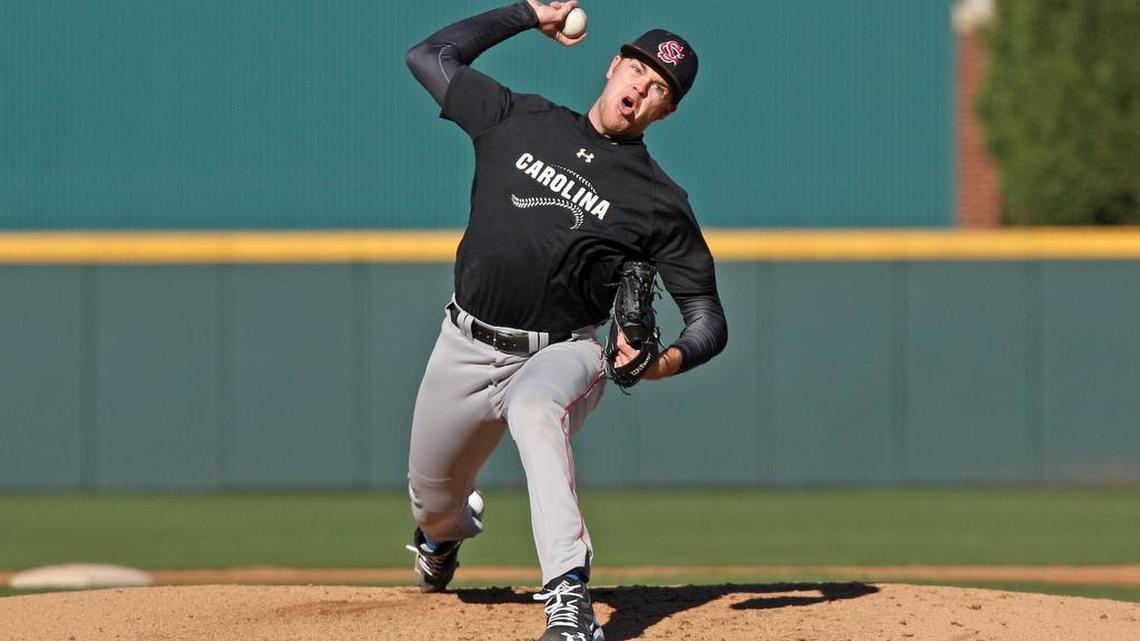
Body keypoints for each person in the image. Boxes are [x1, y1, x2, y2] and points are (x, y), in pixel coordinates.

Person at [402, 2, 727, 639]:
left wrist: (659, 364)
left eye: (659, 89)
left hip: (564, 351)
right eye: (637, 72)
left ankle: (569, 602)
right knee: (433, 503)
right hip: (464, 343)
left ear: (668, 110)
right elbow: (428, 57)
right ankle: (444, 535)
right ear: (614, 67)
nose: (640, 90)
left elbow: (708, 318)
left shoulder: (661, 202)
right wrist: (527, 13)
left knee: (533, 411)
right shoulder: (518, 118)